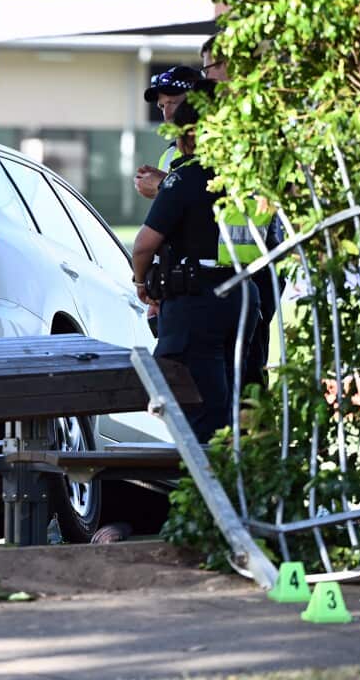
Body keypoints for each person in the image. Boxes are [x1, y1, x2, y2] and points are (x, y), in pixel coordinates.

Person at [132, 85, 259, 442]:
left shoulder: (187, 176)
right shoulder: (243, 177)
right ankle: (235, 482)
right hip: (242, 294)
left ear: (189, 136)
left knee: (198, 409)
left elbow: (143, 246)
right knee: (229, 399)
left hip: (196, 299)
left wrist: (142, 284)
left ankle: (206, 490)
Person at [200, 31, 286, 388]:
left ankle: (248, 440)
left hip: (256, 264)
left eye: (213, 67)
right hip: (213, 266)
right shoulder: (210, 122)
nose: (206, 78)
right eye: (204, 69)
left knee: (247, 368)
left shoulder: (258, 118)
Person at [133, 65, 203, 201]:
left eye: (174, 103)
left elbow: (208, 202)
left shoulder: (219, 148)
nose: (167, 114)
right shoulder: (168, 155)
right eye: (162, 106)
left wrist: (164, 185)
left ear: (198, 102)